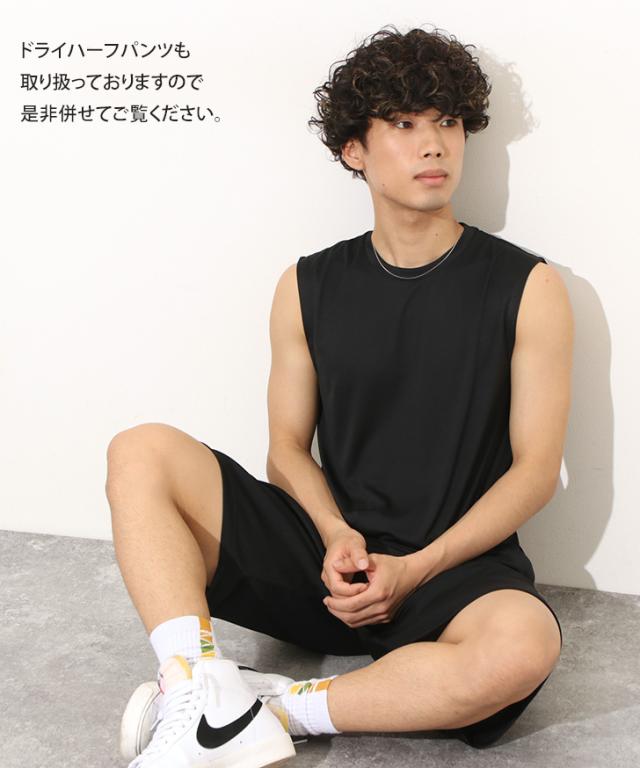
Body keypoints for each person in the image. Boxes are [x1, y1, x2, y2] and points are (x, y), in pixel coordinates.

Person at [106, 23, 574, 768]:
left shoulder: (528, 286)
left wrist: (417, 567)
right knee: (140, 451)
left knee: (524, 647)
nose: (434, 145)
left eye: (448, 122)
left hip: (454, 570)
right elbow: (286, 449)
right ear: (354, 149)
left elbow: (536, 471)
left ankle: (265, 710)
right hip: (327, 559)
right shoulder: (306, 284)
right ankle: (196, 689)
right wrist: (332, 534)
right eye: (404, 124)